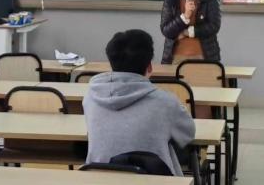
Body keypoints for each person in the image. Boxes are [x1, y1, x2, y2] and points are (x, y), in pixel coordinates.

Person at [83, 29, 195, 176]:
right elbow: (188, 135)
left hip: (99, 178)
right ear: (149, 67)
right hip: (152, 179)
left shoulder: (90, 97)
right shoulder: (165, 103)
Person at [160, 0, 221, 64]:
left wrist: (187, 32)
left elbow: (214, 25)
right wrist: (185, 16)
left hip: (204, 57)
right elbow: (166, 30)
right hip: (174, 59)